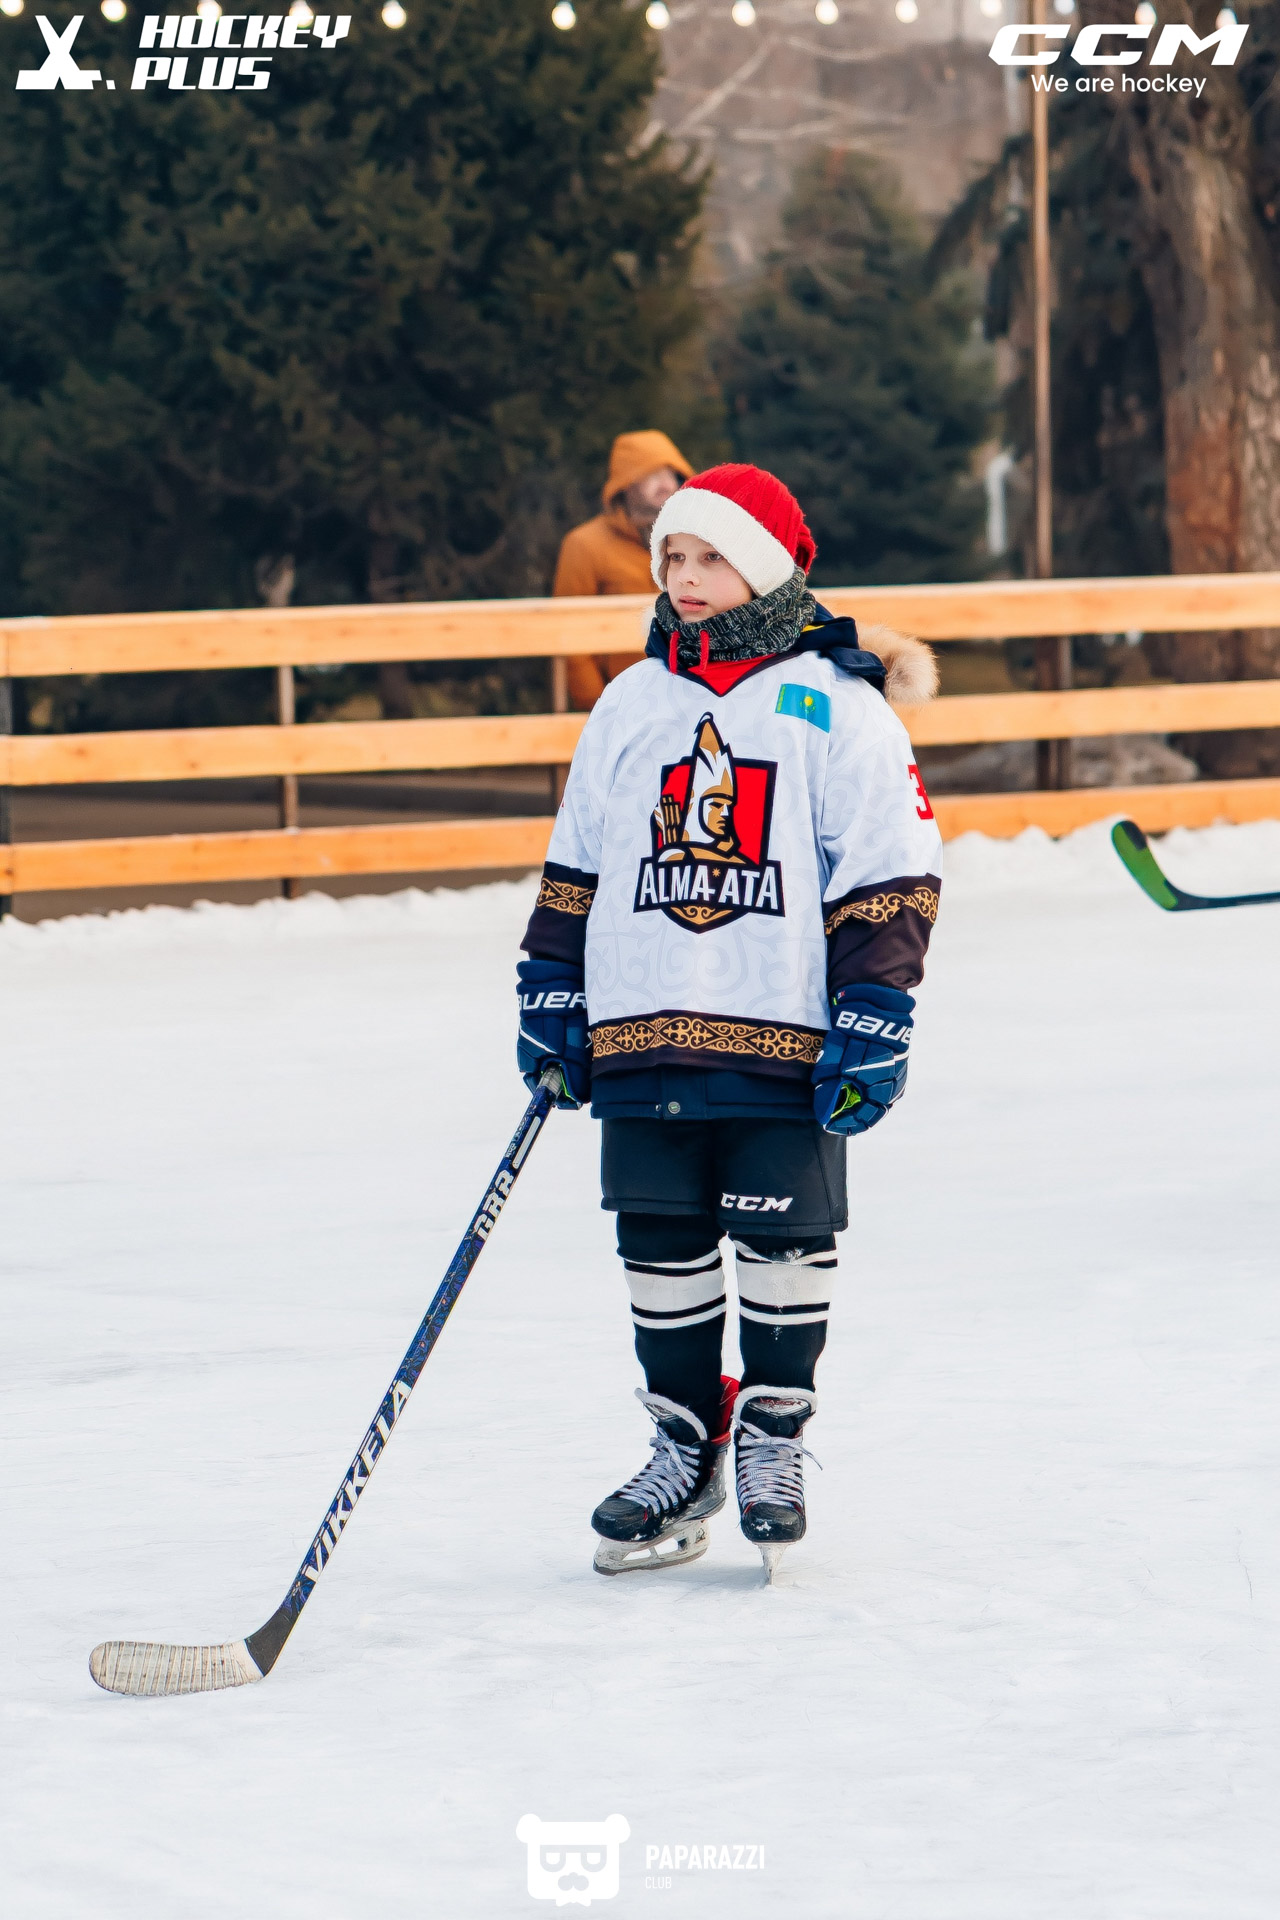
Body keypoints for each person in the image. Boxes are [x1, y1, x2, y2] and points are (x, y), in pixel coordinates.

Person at [517, 463, 942, 1580]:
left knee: (783, 1239)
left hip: (782, 1030)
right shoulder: (630, 702)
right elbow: (577, 861)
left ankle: (770, 1438)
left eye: (711, 556)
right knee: (656, 1242)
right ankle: (682, 1441)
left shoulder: (834, 702)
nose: (687, 576)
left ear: (762, 566)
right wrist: (551, 989)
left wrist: (876, 1010)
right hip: (640, 1027)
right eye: (673, 556)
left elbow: (890, 867)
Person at [553, 430, 693, 709]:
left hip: (689, 699)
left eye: (671, 474)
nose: (666, 484)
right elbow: (569, 634)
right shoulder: (584, 544)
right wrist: (599, 706)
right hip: (621, 705)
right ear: (625, 484)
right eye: (652, 474)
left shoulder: (694, 541)